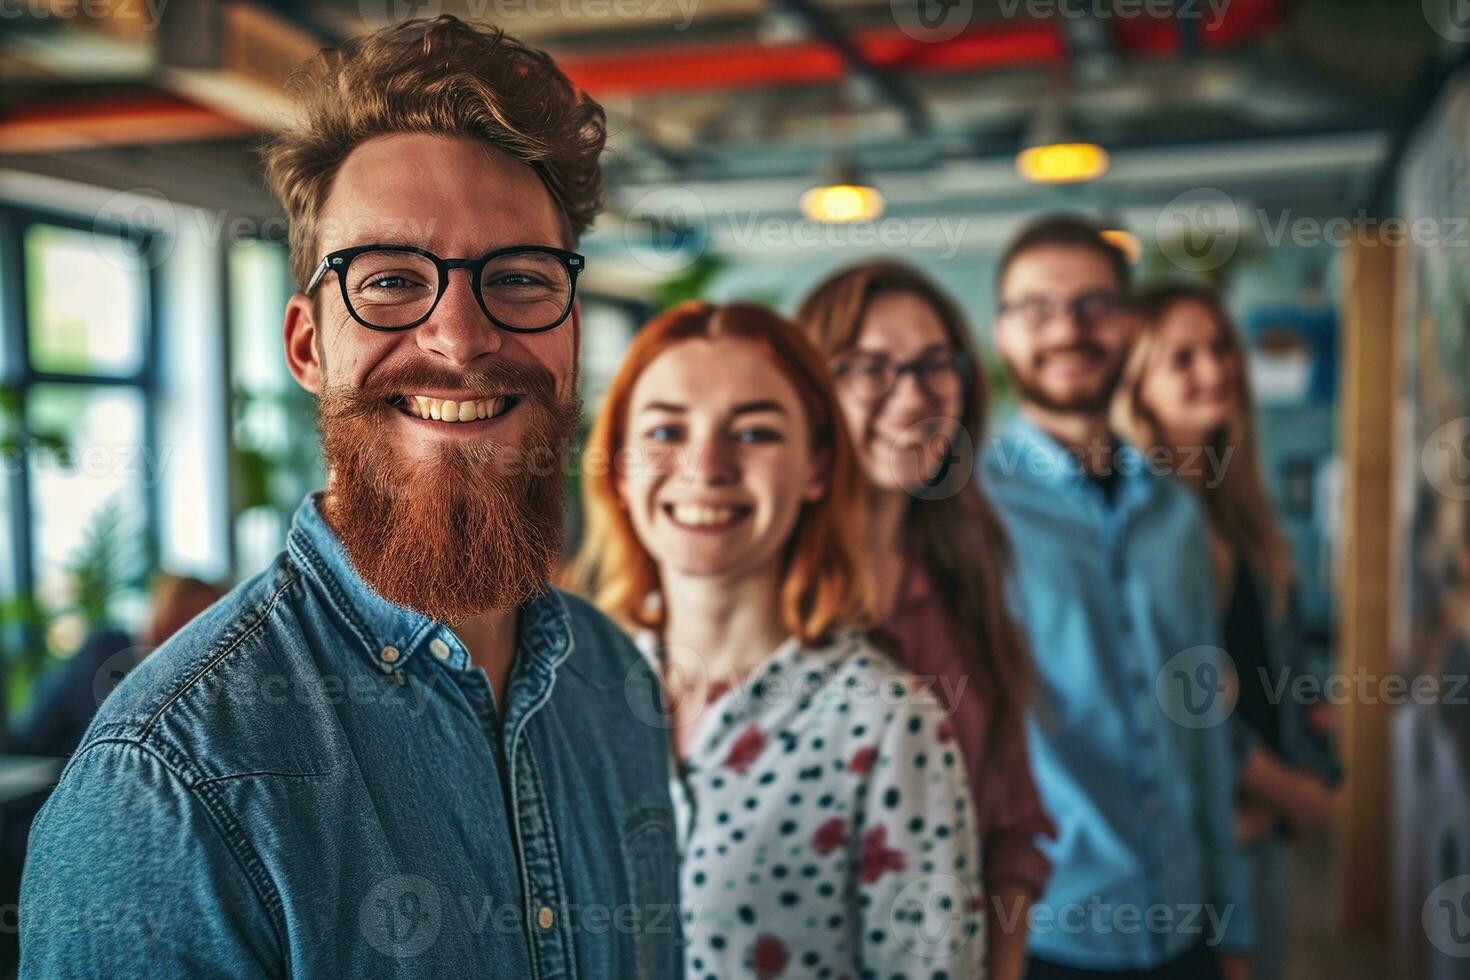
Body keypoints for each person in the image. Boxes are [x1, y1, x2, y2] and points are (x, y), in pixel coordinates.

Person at [22, 17, 682, 977]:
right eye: (388, 280)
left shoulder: (612, 682)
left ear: (571, 335)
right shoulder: (169, 784)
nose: (459, 338)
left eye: (520, 279)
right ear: (305, 345)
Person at [569, 300, 985, 977]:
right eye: (666, 430)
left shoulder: (887, 722)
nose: (705, 465)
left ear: (818, 467)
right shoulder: (562, 695)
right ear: (619, 464)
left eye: (756, 433)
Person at [979, 215, 1255, 980]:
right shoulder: (964, 513)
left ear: (1130, 326)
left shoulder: (1177, 511)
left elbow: (1205, 725)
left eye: (1093, 305)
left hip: (1187, 923)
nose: (1066, 328)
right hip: (1046, 933)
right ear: (1002, 334)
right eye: (1036, 308)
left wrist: (1234, 920)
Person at [795, 260, 1055, 980]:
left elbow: (1012, 835)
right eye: (870, 368)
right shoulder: (759, 590)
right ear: (812, 390)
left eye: (936, 365)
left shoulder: (967, 576)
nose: (914, 398)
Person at [1114, 282, 1341, 980]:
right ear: (1137, 386)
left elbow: (1277, 668)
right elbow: (1170, 694)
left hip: (1262, 830)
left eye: (1220, 349)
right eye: (1182, 357)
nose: (1214, 370)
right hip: (1207, 840)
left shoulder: (1235, 507)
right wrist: (1285, 791)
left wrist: (1317, 768)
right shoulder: (1136, 525)